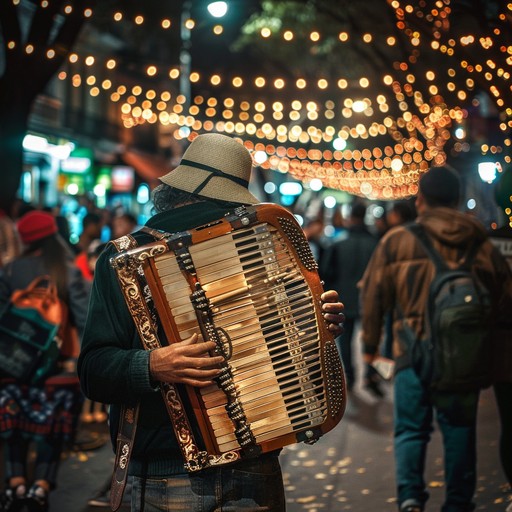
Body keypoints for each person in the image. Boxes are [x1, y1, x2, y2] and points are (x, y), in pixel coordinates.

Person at [77, 133, 345, 512]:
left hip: (206, 470)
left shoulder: (257, 258)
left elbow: (91, 371)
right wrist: (154, 365)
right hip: (213, 469)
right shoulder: (127, 260)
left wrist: (314, 327)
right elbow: (93, 372)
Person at [359, 166, 512, 512]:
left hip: (412, 353)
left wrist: (369, 350)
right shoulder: (481, 243)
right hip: (463, 355)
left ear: (421, 200)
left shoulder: (397, 240)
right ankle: (458, 502)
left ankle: (411, 498)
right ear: (458, 200)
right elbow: (504, 296)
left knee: (412, 430)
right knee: (460, 430)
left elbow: (373, 297)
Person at [0, 210, 91, 512]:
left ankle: (15, 485)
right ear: (53, 235)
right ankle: (40, 487)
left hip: (12, 365)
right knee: (51, 430)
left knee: (13, 428)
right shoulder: (66, 269)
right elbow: (84, 317)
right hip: (55, 369)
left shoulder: (11, 270)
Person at [321, 202, 379, 394]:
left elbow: (326, 273)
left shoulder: (338, 244)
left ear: (351, 217)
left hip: (344, 300)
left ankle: (351, 376)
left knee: (345, 341)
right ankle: (370, 374)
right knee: (371, 337)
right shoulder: (376, 244)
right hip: (370, 300)